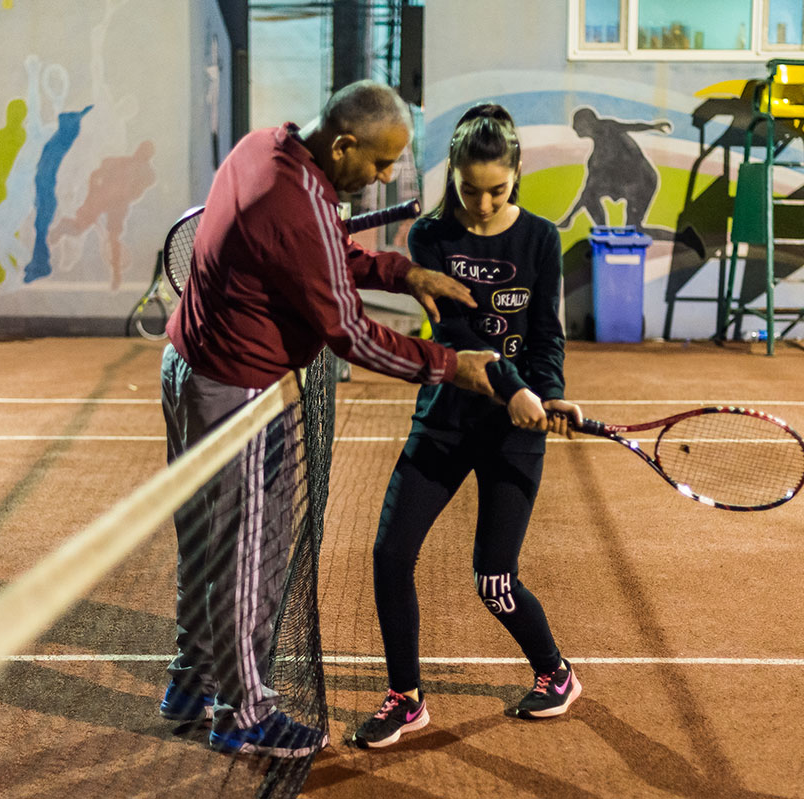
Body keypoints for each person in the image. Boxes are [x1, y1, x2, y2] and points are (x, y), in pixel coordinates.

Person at [160, 79, 501, 759]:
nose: (380, 179)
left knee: (205, 538)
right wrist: (451, 366)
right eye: (377, 164)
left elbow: (321, 251)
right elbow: (352, 334)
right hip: (237, 393)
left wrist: (403, 273)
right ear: (343, 142)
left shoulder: (266, 148)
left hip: (188, 368)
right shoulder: (297, 199)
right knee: (248, 555)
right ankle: (243, 714)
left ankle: (192, 681)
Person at [351, 103, 585, 749]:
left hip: (514, 433)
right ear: (451, 174)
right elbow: (457, 335)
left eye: (497, 191)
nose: (482, 205)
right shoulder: (428, 237)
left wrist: (550, 396)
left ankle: (556, 673)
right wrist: (513, 388)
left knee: (495, 580)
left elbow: (545, 336)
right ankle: (406, 698)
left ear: (517, 178)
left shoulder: (540, 239)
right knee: (390, 553)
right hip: (448, 418)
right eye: (469, 189)